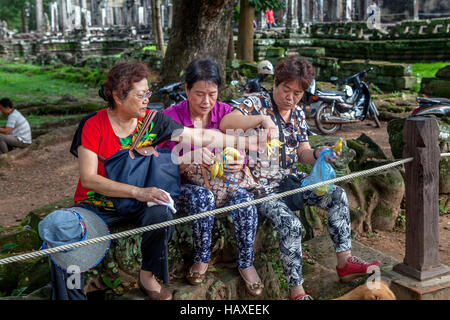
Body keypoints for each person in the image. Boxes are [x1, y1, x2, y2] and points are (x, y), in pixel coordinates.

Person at [41, 61, 263, 300]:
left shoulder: (153, 121)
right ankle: (72, 295)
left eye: (148, 93)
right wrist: (139, 192)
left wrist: (245, 142)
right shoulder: (93, 125)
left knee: (162, 212)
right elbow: (89, 179)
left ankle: (148, 275)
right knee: (65, 235)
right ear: (117, 96)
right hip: (98, 205)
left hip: (137, 204)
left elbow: (201, 135)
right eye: (140, 95)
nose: (147, 99)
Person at [220, 56, 381, 300]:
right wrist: (261, 119)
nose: (291, 97)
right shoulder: (256, 102)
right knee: (292, 225)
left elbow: (302, 152)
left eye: (297, 93)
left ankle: (344, 262)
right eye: (286, 89)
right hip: (261, 188)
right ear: (275, 82)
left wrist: (318, 154)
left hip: (290, 181)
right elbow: (226, 122)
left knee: (336, 194)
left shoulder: (296, 114)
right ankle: (296, 292)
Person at [160, 58, 264, 296]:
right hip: (185, 187)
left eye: (212, 94)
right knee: (202, 197)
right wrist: (189, 159)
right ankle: (201, 260)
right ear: (186, 89)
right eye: (198, 94)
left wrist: (240, 161)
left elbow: (241, 150)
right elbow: (162, 167)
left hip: (224, 184)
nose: (206, 101)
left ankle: (246, 263)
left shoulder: (226, 113)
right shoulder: (170, 118)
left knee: (246, 203)